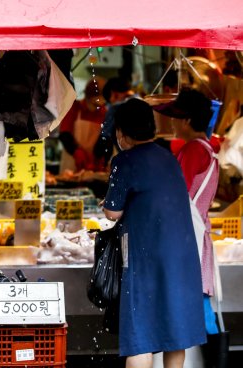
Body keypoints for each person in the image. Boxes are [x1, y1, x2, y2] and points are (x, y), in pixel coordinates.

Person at [102, 98, 206, 367]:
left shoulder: (124, 161)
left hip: (145, 257)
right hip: (181, 256)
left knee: (140, 333)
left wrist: (112, 203)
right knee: (176, 331)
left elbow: (113, 212)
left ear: (121, 133)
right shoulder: (167, 157)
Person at [153, 89, 220, 335]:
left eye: (176, 116)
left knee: (191, 311)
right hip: (195, 237)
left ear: (188, 120)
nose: (171, 121)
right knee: (197, 303)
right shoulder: (208, 149)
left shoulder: (193, 150)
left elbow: (174, 196)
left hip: (185, 239)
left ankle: (207, 354)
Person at [58, 77, 107, 172]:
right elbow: (64, 134)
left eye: (101, 105)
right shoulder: (74, 108)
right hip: (72, 163)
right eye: (95, 104)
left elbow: (105, 139)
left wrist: (99, 158)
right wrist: (76, 151)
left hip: (94, 166)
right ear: (88, 97)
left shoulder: (103, 113)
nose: (98, 108)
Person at [93, 77, 137, 164]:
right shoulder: (144, 104)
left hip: (128, 159)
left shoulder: (115, 109)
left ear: (114, 94)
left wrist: (99, 156)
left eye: (110, 102)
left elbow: (105, 137)